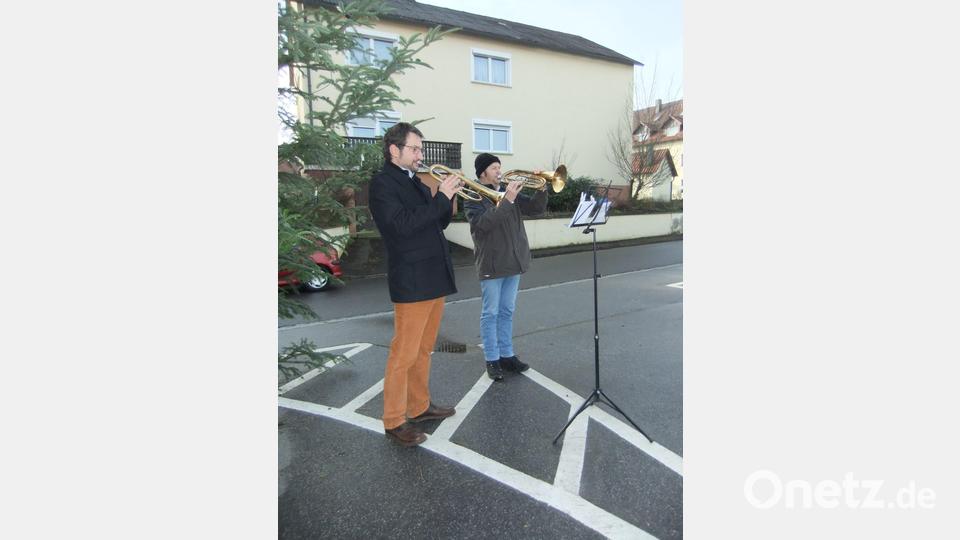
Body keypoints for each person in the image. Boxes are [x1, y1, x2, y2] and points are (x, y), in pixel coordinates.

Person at [368, 122, 463, 447]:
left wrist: (446, 199)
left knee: (423, 349)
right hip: (412, 279)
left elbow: (437, 222)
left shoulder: (416, 182)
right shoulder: (383, 184)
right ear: (395, 150)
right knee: (403, 354)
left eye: (421, 149)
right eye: (415, 149)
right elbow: (400, 226)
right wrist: (438, 201)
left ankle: (419, 406)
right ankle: (394, 420)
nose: (420, 155)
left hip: (433, 276)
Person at [463, 153, 548, 381]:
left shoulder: (508, 191)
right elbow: (483, 225)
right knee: (490, 313)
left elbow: (535, 209)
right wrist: (507, 201)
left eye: (499, 166)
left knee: (507, 311)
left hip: (513, 261)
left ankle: (507, 355)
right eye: (494, 167)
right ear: (483, 172)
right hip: (492, 264)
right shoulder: (473, 196)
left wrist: (542, 188)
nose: (499, 171)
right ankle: (492, 359)